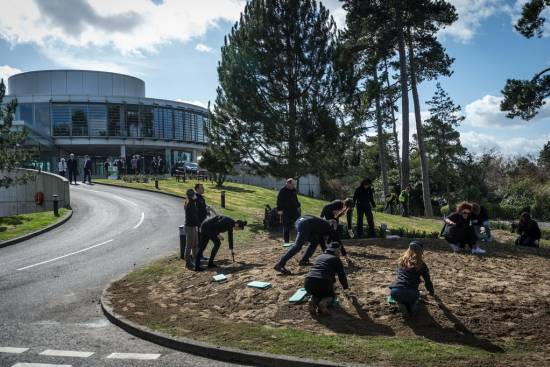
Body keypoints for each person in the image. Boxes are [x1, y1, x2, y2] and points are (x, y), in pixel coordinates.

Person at [274, 216, 338, 274]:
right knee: (297, 246)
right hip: (305, 225)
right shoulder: (327, 227)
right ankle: (280, 264)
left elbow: (318, 237)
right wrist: (327, 254)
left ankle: (304, 261)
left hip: (299, 221)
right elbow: (322, 241)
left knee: (315, 241)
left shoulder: (320, 221)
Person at [389, 241, 434, 316]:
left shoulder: (401, 261)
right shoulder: (422, 265)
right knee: (415, 298)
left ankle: (400, 304)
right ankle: (412, 305)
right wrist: (431, 291)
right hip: (412, 292)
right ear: (421, 252)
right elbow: (427, 281)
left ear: (408, 249)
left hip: (397, 291)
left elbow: (398, 275)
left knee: (395, 296)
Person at [305, 242, 350, 316]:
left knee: (316, 294)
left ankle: (312, 301)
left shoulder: (319, 257)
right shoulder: (336, 259)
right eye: (339, 251)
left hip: (308, 281)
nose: (340, 253)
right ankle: (323, 303)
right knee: (330, 296)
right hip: (323, 281)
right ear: (336, 251)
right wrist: (346, 287)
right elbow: (341, 276)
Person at [277, 178, 301, 244]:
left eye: (294, 184)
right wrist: (279, 210)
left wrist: (298, 206)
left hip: (294, 210)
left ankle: (300, 240)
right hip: (285, 211)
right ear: (288, 183)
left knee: (300, 223)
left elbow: (295, 199)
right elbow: (279, 201)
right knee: (286, 226)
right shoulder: (282, 191)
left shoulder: (293, 190)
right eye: (293, 184)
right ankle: (286, 242)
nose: (294, 185)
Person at [184, 189, 200, 268]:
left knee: (195, 244)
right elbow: (192, 218)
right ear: (191, 196)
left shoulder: (192, 202)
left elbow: (197, 199)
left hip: (193, 226)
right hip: (190, 227)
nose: (195, 195)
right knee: (189, 245)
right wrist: (198, 224)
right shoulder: (190, 204)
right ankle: (188, 262)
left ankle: (195, 259)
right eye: (194, 194)